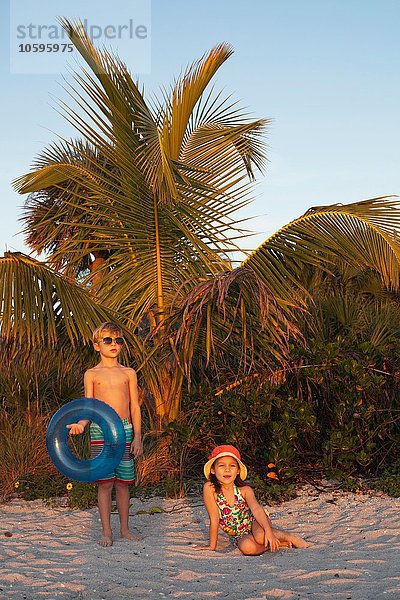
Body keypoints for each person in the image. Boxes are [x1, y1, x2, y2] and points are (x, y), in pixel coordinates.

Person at [67, 322, 143, 547]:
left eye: (118, 340)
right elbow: (89, 405)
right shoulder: (92, 374)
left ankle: (125, 529)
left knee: (123, 483)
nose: (114, 344)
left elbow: (135, 407)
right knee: (105, 483)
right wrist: (81, 424)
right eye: (108, 340)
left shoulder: (128, 373)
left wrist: (137, 436)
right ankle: (106, 531)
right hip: (101, 430)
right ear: (96, 345)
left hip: (125, 429)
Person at [198, 445, 309, 555]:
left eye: (232, 465)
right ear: (213, 470)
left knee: (261, 535)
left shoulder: (245, 490)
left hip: (256, 522)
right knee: (247, 547)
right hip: (239, 534)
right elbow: (214, 518)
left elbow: (256, 509)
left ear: (237, 471)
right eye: (221, 465)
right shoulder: (210, 489)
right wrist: (212, 547)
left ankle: (289, 537)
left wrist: (268, 531)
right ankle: (279, 544)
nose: (227, 469)